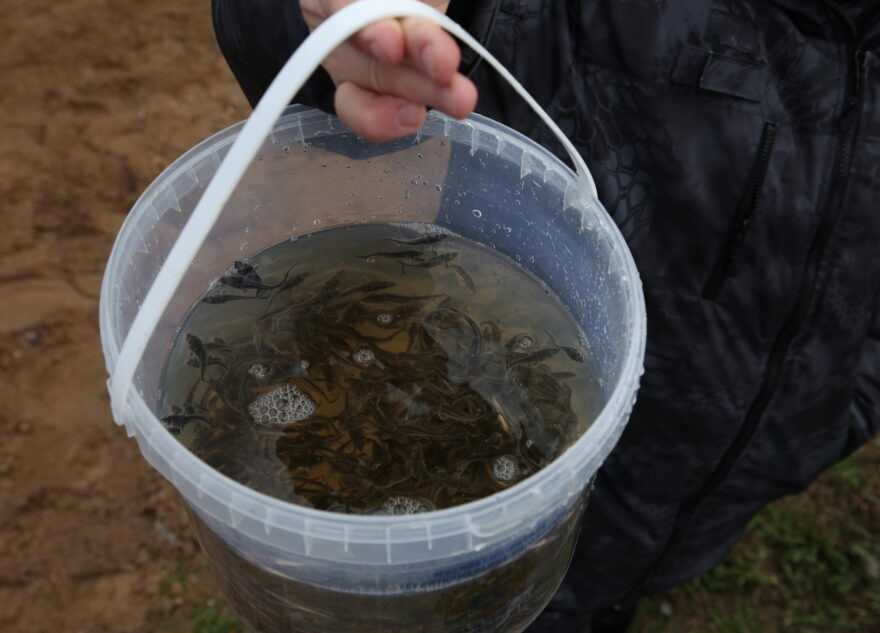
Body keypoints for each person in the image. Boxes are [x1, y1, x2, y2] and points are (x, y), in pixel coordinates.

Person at [211, 1, 880, 630]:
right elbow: (320, 51)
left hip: (721, 474)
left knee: (591, 591)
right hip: (500, 448)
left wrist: (831, 415)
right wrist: (337, 26)